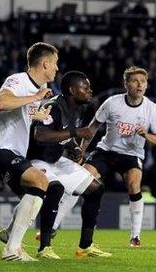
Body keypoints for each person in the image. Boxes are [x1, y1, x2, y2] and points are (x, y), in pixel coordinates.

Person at [0, 42, 58, 261]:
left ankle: (8, 233)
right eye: (55, 64)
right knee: (39, 181)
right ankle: (12, 250)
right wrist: (36, 98)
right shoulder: (17, 80)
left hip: (6, 152)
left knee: (33, 196)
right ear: (45, 63)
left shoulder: (34, 92)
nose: (56, 69)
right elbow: (2, 103)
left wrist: (36, 116)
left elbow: (19, 112)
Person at [80, 66, 156, 247]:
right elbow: (93, 126)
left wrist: (146, 136)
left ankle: (135, 236)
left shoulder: (151, 109)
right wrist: (82, 150)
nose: (140, 85)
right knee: (82, 179)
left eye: (143, 82)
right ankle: (54, 226)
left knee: (134, 185)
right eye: (135, 81)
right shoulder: (112, 102)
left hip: (131, 154)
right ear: (126, 84)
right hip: (106, 150)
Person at [28, 71, 111, 259]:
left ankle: (85, 246)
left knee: (95, 189)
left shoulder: (77, 108)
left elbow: (65, 134)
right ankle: (44, 248)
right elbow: (40, 135)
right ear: (73, 90)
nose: (90, 91)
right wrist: (76, 133)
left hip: (56, 159)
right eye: (85, 87)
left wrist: (74, 148)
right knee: (55, 189)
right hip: (38, 159)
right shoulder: (54, 106)